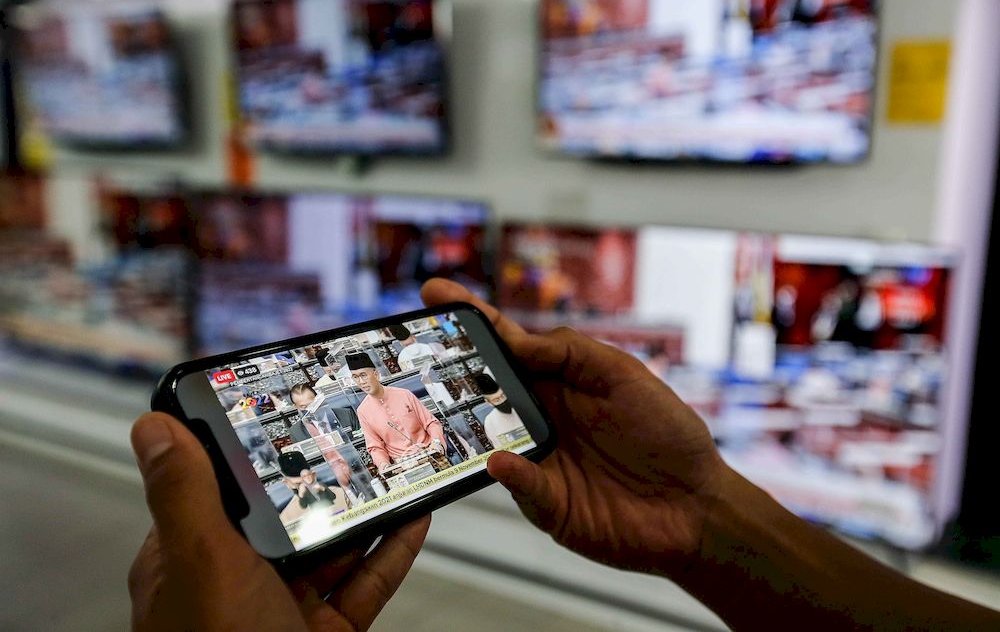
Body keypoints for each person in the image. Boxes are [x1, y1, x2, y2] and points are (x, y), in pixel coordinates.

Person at [129, 279, 1000, 630]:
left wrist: (702, 516)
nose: (363, 384)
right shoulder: (358, 412)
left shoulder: (400, 399)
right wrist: (701, 515)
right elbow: (397, 444)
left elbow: (424, 434)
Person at [347, 352, 446, 475]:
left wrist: (436, 443)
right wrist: (383, 464)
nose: (361, 382)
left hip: (430, 452)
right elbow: (375, 447)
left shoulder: (404, 394)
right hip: (402, 465)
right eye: (355, 377)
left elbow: (431, 423)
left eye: (363, 375)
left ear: (376, 374)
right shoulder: (363, 411)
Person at [472, 372, 528, 448]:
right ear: (488, 402)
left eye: (503, 396)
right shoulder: (490, 421)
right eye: (497, 400)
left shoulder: (523, 407)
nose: (502, 401)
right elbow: (499, 448)